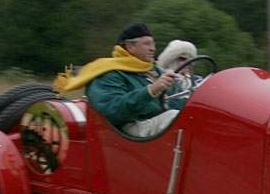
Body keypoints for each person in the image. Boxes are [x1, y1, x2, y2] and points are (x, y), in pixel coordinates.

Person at [53, 22, 184, 138]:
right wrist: (151, 90)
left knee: (193, 116)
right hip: (130, 128)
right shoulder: (109, 73)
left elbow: (178, 103)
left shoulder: (155, 71)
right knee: (174, 117)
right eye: (146, 44)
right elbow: (113, 110)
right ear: (130, 47)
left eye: (153, 43)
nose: (153, 48)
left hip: (156, 124)